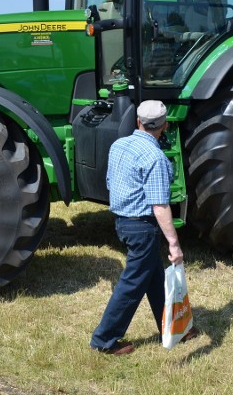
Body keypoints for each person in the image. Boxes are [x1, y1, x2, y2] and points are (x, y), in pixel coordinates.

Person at [90, 100, 197, 355]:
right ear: (165, 125)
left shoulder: (119, 146)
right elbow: (160, 206)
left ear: (138, 121)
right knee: (132, 284)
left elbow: (109, 182)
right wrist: (174, 243)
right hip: (142, 228)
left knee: (154, 277)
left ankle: (172, 328)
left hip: (122, 223)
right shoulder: (156, 158)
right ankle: (103, 340)